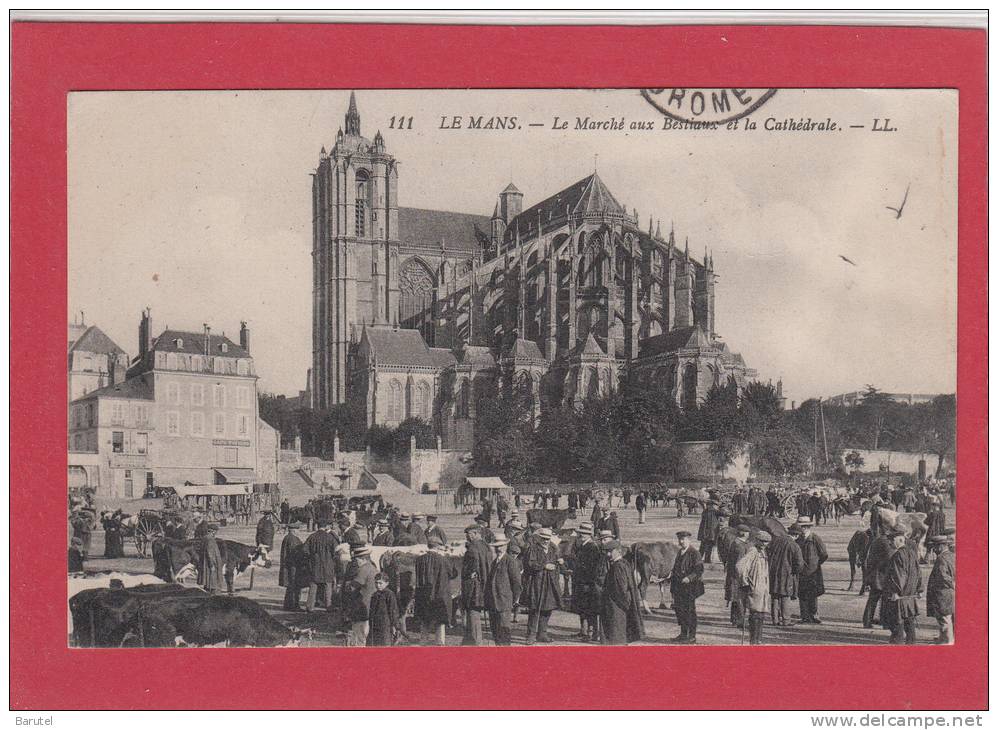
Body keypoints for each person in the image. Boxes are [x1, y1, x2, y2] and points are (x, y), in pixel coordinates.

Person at [521, 527, 562, 644]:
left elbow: (556, 561)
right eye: (543, 538)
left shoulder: (553, 549)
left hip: (550, 583)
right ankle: (531, 636)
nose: (545, 541)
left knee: (547, 608)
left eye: (547, 539)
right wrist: (544, 566)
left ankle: (542, 634)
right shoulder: (533, 549)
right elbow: (529, 564)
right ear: (539, 538)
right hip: (536, 583)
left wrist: (560, 562)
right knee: (535, 609)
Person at [414, 536, 457, 645]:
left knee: (424, 619)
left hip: (423, 594)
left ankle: (423, 640)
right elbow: (453, 574)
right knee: (440, 621)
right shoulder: (443, 559)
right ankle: (440, 641)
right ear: (438, 546)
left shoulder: (419, 559)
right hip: (439, 594)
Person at [600, 540, 644, 645]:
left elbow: (621, 589)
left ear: (618, 551)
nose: (608, 554)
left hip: (616, 607)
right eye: (607, 552)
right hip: (621, 606)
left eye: (610, 551)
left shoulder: (617, 566)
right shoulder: (624, 563)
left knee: (615, 637)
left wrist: (625, 604)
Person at [882, 528, 921, 644]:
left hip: (900, 596)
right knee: (909, 620)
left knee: (897, 621)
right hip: (910, 595)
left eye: (891, 541)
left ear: (899, 540)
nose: (890, 543)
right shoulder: (912, 553)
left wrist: (895, 592)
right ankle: (911, 643)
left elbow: (898, 576)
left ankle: (897, 643)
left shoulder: (898, 555)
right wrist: (919, 589)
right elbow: (919, 573)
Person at [669, 531, 705, 644]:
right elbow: (676, 568)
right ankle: (683, 634)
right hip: (679, 587)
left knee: (690, 611)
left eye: (683, 539)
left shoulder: (694, 553)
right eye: (680, 539)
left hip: (690, 588)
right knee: (680, 611)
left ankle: (692, 636)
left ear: (689, 540)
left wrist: (689, 578)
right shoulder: (680, 552)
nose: (681, 541)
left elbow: (699, 570)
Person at [484, 536, 521, 645]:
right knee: (495, 631)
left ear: (505, 546)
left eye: (500, 546)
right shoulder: (494, 561)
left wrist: (513, 600)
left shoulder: (510, 561)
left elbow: (517, 584)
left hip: (504, 602)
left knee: (504, 632)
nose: (498, 549)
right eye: (496, 547)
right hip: (492, 603)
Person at [737, 531, 771, 644]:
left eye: (767, 542)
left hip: (763, 588)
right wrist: (745, 582)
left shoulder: (763, 552)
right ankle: (754, 640)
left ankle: (758, 639)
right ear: (757, 541)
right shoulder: (753, 551)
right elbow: (740, 567)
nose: (765, 544)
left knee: (761, 614)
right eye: (763, 542)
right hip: (755, 587)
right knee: (755, 614)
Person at [571, 522, 602, 642]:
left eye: (585, 534)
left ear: (589, 535)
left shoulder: (592, 547)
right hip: (581, 582)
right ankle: (584, 631)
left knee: (590, 609)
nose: (582, 535)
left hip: (587, 583)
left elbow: (592, 568)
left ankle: (591, 633)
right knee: (583, 608)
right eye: (581, 533)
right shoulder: (583, 545)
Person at [461, 524, 491, 645]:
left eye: (468, 534)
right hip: (483, 584)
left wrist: (469, 573)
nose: (467, 537)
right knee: (475, 612)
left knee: (473, 612)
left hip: (473, 586)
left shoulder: (472, 547)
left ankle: (475, 642)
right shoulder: (486, 546)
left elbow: (472, 565)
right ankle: (469, 640)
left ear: (475, 533)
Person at [766, 529, 803, 627]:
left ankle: (775, 620)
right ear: (796, 535)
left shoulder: (776, 541)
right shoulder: (794, 545)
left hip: (773, 572)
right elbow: (799, 564)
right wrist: (794, 571)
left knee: (775, 596)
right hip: (787, 574)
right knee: (785, 596)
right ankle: (786, 620)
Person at [796, 517, 828, 624]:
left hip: (813, 572)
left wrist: (816, 564)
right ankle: (804, 616)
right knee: (802, 594)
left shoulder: (815, 539)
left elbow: (824, 554)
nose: (803, 529)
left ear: (809, 527)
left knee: (813, 594)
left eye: (805, 527)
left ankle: (814, 615)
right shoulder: (798, 539)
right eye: (801, 527)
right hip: (801, 572)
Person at [344, 544, 378, 646]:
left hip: (361, 606)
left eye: (357, 559)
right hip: (370, 606)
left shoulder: (363, 569)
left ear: (363, 559)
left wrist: (347, 584)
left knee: (359, 636)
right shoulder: (373, 567)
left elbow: (353, 587)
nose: (356, 562)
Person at [862, 527, 896, 628]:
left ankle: (867, 621)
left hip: (875, 575)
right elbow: (890, 558)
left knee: (872, 600)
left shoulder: (877, 540)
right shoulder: (886, 543)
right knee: (883, 600)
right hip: (882, 576)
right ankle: (884, 622)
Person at [925, 534, 955, 644]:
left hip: (942, 594)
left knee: (944, 620)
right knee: (948, 618)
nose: (933, 550)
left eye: (935, 547)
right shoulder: (952, 555)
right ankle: (944, 639)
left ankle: (947, 642)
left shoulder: (941, 558)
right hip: (950, 594)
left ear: (941, 546)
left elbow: (943, 577)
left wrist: (952, 584)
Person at [304, 521, 338, 612]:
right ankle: (328, 606)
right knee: (328, 586)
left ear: (317, 526)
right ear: (326, 526)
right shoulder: (330, 537)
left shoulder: (312, 537)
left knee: (313, 586)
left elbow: (305, 551)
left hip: (315, 565)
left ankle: (309, 606)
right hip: (328, 565)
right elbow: (336, 551)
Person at [367, 572, 407, 646]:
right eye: (376, 583)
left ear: (387, 583)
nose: (378, 585)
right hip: (374, 627)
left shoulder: (390, 595)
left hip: (385, 627)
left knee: (384, 647)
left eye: (380, 583)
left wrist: (395, 626)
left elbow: (393, 612)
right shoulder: (374, 595)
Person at [725, 525, 751, 628]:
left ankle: (734, 619)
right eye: (748, 533)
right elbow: (740, 564)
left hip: (733, 576)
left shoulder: (735, 543)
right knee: (740, 598)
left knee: (735, 598)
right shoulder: (739, 546)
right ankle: (740, 621)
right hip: (738, 577)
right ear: (744, 533)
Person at [279, 522, 304, 610]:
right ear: (294, 530)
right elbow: (295, 554)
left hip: (289, 566)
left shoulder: (287, 538)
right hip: (294, 567)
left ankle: (288, 605)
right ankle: (294, 605)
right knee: (295, 586)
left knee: (290, 587)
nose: (299, 531)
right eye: (298, 529)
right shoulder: (293, 539)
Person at [200, 523, 225, 594]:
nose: (216, 533)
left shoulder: (205, 538)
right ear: (213, 531)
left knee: (208, 581)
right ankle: (214, 593)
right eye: (216, 531)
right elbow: (210, 553)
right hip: (212, 563)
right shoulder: (210, 539)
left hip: (207, 563)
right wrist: (212, 565)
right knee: (213, 581)